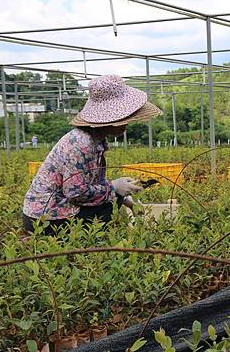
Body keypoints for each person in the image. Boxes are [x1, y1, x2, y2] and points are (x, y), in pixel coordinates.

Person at [22, 75, 161, 234]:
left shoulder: (94, 140)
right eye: (124, 117)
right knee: (106, 210)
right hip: (45, 220)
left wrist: (123, 196)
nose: (127, 123)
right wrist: (114, 188)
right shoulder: (83, 144)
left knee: (113, 202)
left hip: (50, 213)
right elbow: (75, 193)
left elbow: (89, 183)